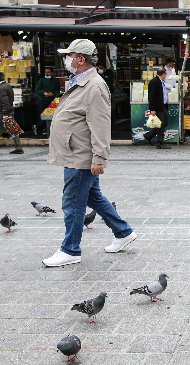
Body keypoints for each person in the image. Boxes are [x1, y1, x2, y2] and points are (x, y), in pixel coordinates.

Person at [42, 39, 137, 267]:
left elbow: (101, 125)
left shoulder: (94, 86)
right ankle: (123, 232)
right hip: (75, 151)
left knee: (73, 203)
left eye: (70, 55)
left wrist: (99, 158)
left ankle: (70, 250)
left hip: (81, 155)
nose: (66, 60)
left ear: (80, 59)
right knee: (93, 197)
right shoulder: (79, 81)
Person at [143, 68, 170, 149]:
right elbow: (151, 96)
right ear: (163, 74)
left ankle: (149, 135)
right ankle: (160, 143)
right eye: (165, 74)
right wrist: (152, 109)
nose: (166, 76)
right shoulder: (154, 82)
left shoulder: (161, 82)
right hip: (158, 107)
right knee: (161, 125)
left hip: (162, 106)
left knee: (165, 122)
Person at [33, 67, 60, 136]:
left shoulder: (56, 81)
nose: (47, 74)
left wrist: (53, 93)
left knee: (51, 116)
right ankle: (38, 127)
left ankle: (44, 129)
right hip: (42, 100)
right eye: (46, 72)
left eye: (48, 72)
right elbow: (37, 90)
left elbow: (58, 90)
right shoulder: (42, 80)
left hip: (52, 101)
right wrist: (44, 93)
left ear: (52, 73)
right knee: (43, 116)